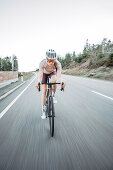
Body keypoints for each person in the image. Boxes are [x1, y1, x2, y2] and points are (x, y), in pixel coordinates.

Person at [36, 49, 65, 119]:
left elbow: (59, 76)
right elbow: (40, 75)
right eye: (49, 60)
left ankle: (53, 94)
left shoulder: (57, 64)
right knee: (44, 90)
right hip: (44, 74)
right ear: (46, 59)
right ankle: (43, 110)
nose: (51, 62)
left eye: (53, 60)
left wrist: (62, 82)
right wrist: (39, 82)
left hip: (52, 72)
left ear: (55, 60)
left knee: (54, 80)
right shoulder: (42, 63)